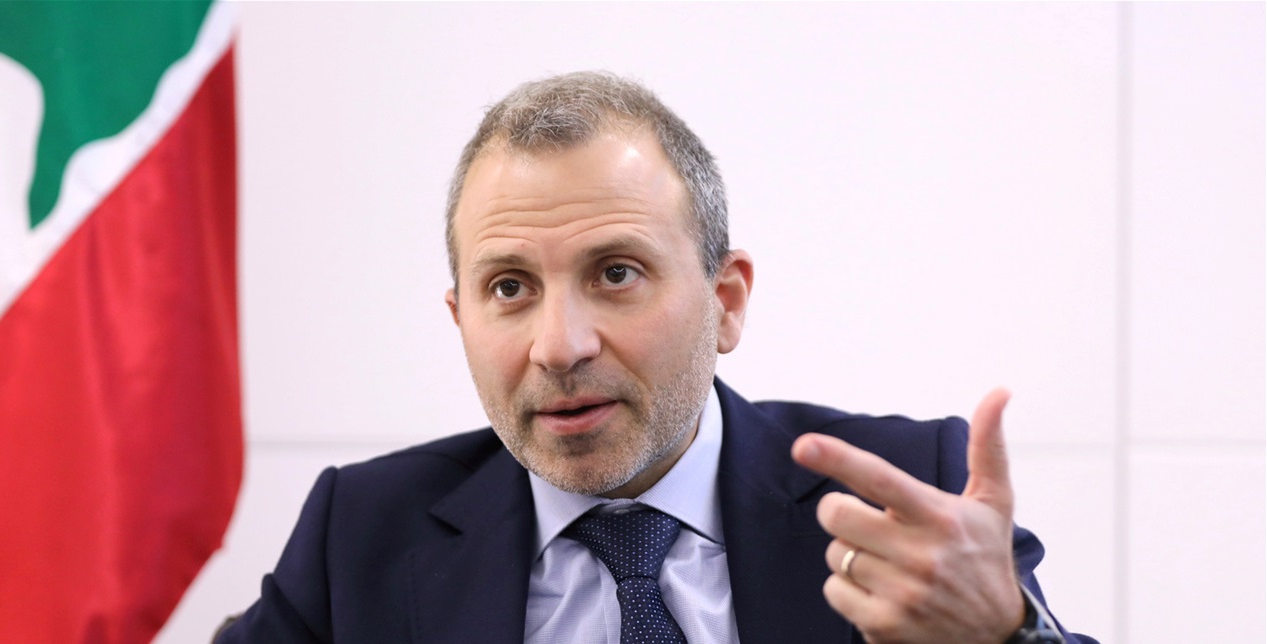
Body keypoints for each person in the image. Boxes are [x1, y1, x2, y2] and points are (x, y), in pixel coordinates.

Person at [217, 71, 1096, 644]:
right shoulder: (362, 535)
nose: (560, 346)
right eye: (510, 287)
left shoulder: (903, 494)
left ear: (726, 301)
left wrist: (1007, 634)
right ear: (460, 320)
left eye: (616, 273)